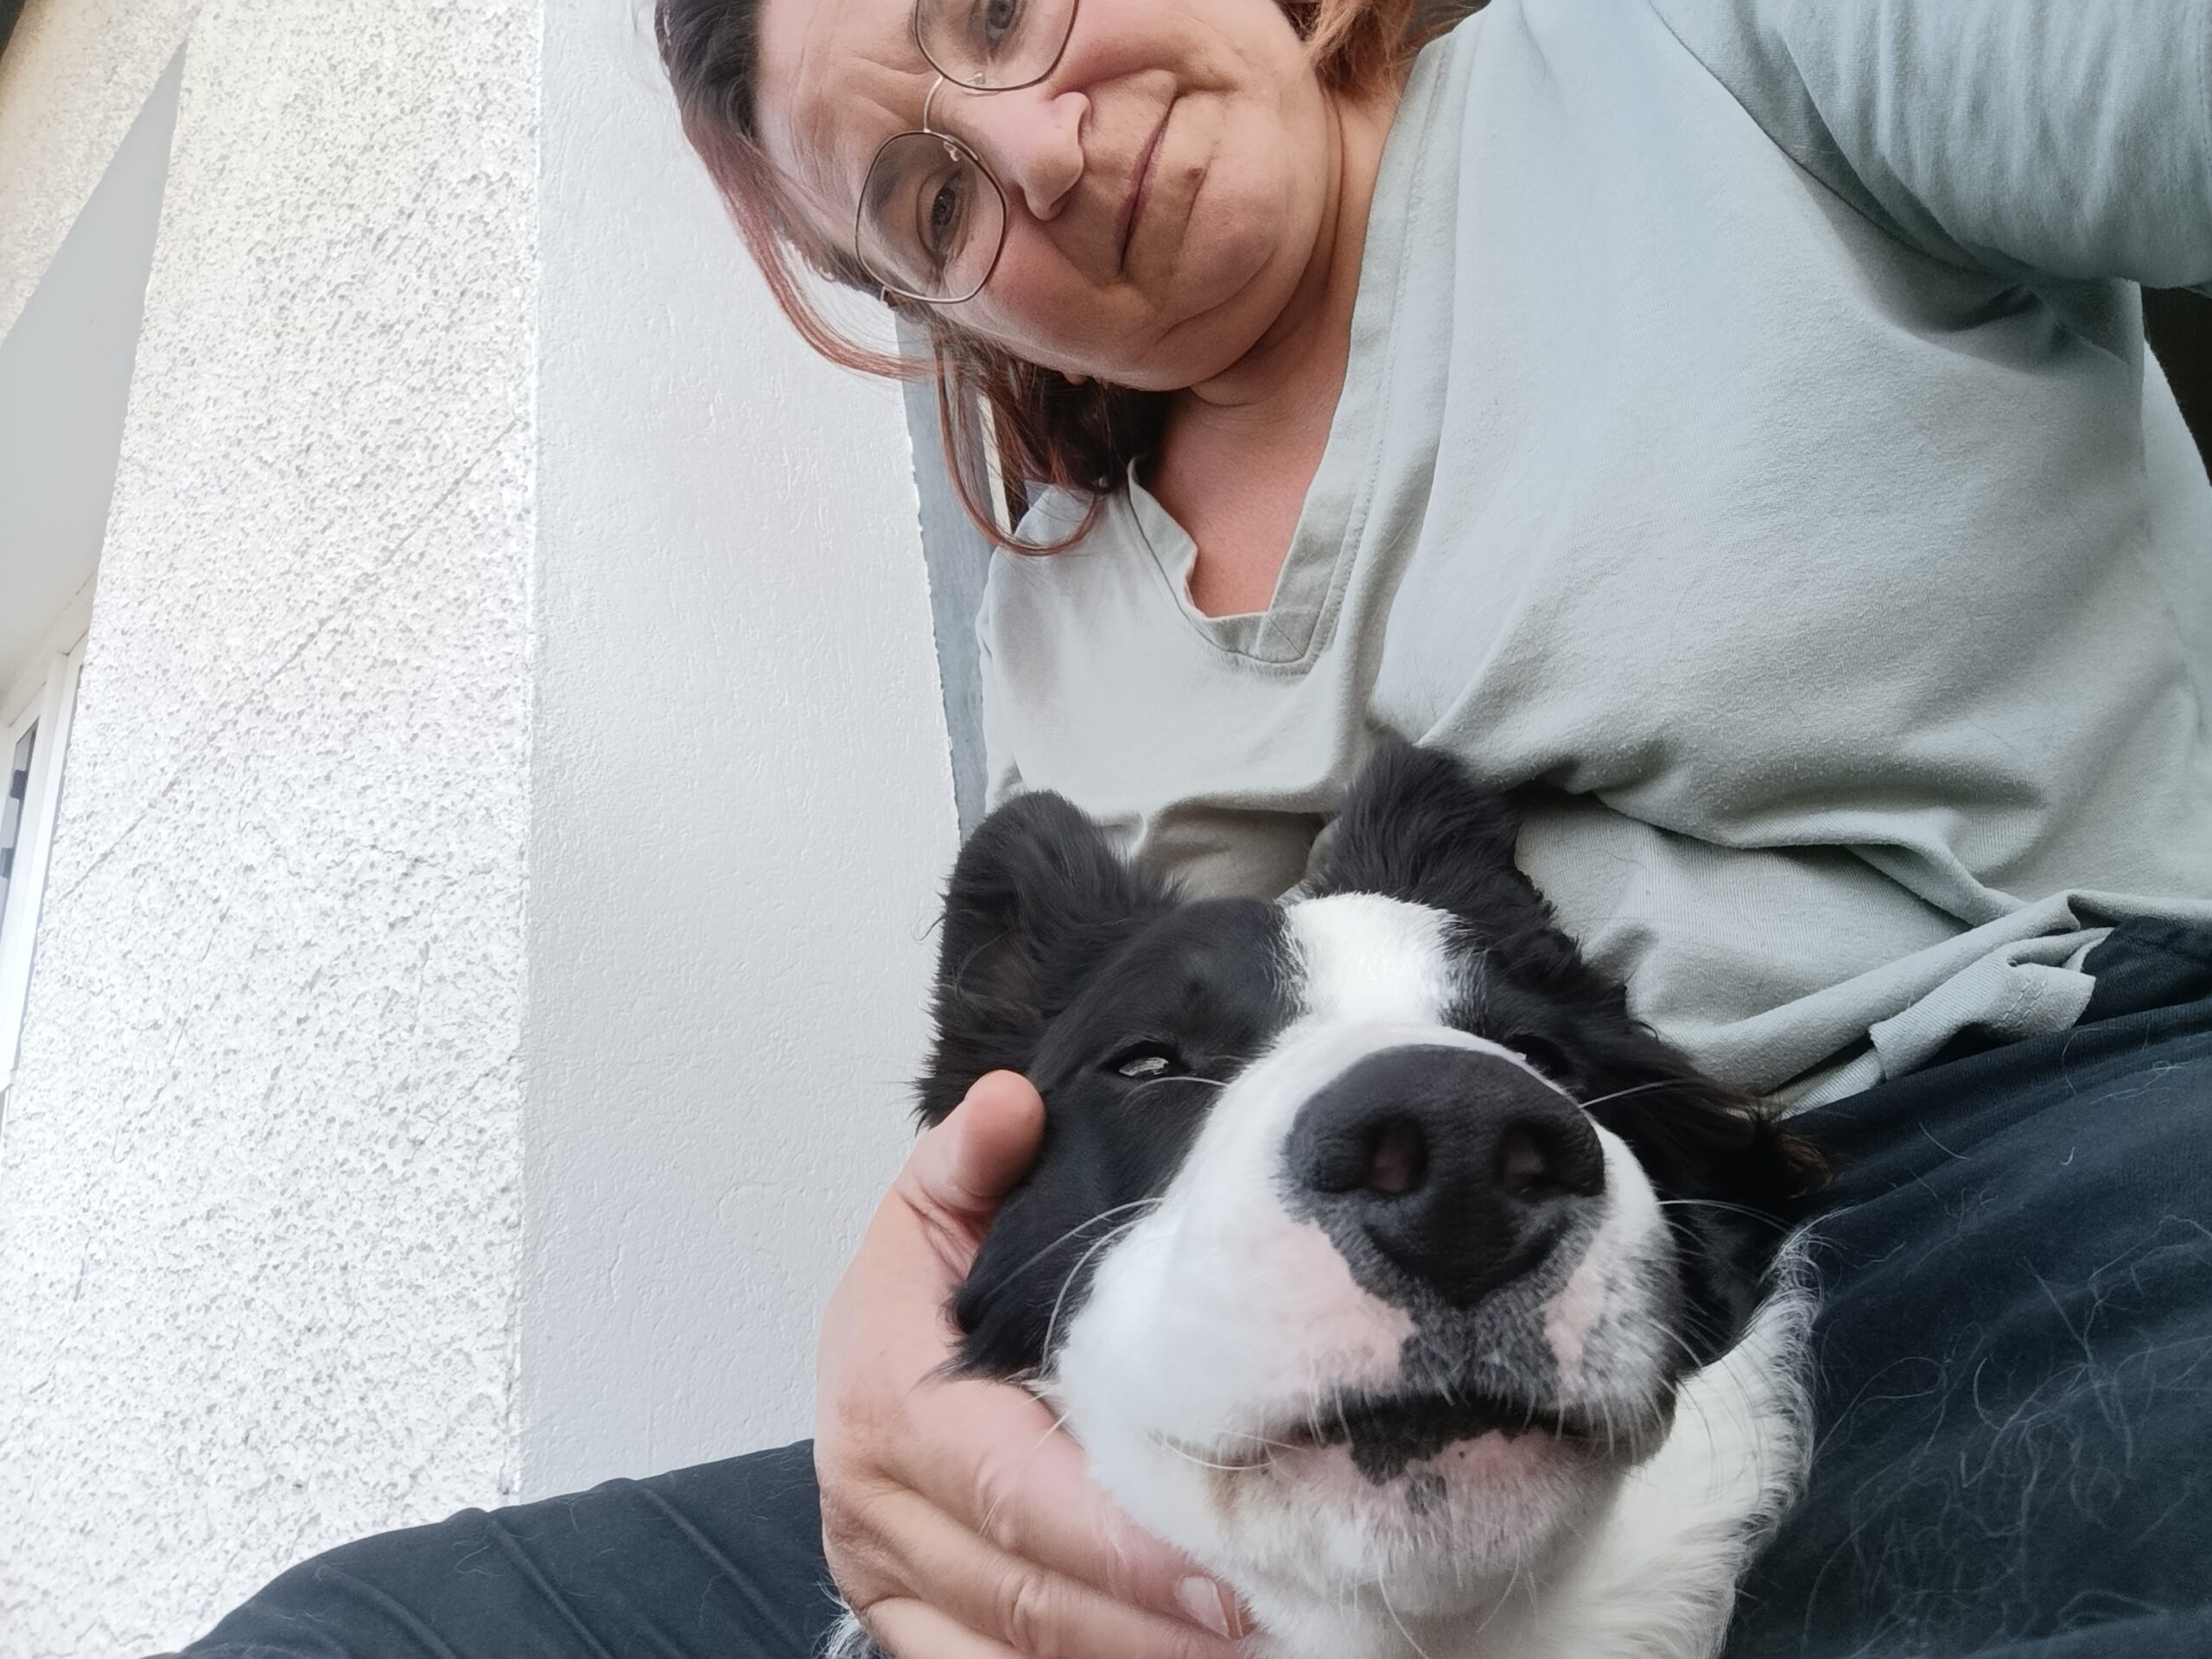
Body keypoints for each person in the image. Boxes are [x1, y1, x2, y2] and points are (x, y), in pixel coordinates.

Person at [184, 0, 2212, 1655]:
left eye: (996, 6)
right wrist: (895, 1355)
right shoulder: (1056, 631)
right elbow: (1084, 1125)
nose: (1036, 150)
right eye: (931, 199)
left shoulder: (1701, 53)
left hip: (2036, 1126)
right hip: (1288, 1393)